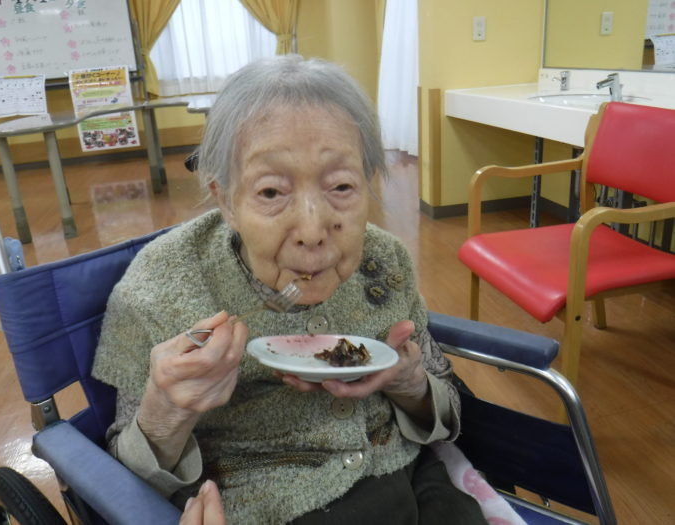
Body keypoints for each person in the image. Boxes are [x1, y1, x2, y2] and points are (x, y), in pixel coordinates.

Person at [92, 54, 485, 524]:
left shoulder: (384, 261)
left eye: (341, 185)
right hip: (265, 507)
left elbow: (444, 399)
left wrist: (409, 383)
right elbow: (125, 475)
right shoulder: (160, 287)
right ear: (225, 200)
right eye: (272, 192)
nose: (313, 230)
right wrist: (165, 409)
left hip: (410, 481)